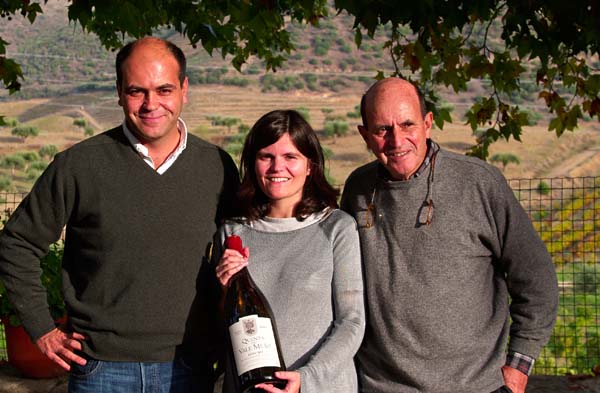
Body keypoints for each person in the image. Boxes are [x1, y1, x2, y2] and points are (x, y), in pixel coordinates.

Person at [0, 37, 239, 392]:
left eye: (164, 89)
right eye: (136, 91)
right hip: (101, 371)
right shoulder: (79, 166)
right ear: (118, 91)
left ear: (185, 89)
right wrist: (42, 330)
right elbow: (17, 243)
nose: (151, 104)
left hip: (190, 368)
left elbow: (235, 253)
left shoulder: (217, 167)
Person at [340, 77, 559, 393]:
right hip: (381, 387)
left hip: (476, 387)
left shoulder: (479, 183)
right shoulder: (358, 189)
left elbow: (537, 279)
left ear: (428, 124)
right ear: (365, 135)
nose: (397, 140)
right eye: (382, 129)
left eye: (407, 125)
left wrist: (518, 368)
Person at [213, 109, 365, 393]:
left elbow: (352, 321)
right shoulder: (232, 233)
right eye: (266, 156)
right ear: (252, 163)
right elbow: (222, 328)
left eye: (290, 157)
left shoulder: (336, 228)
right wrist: (223, 291)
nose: (276, 167)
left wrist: (306, 378)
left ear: (310, 166)